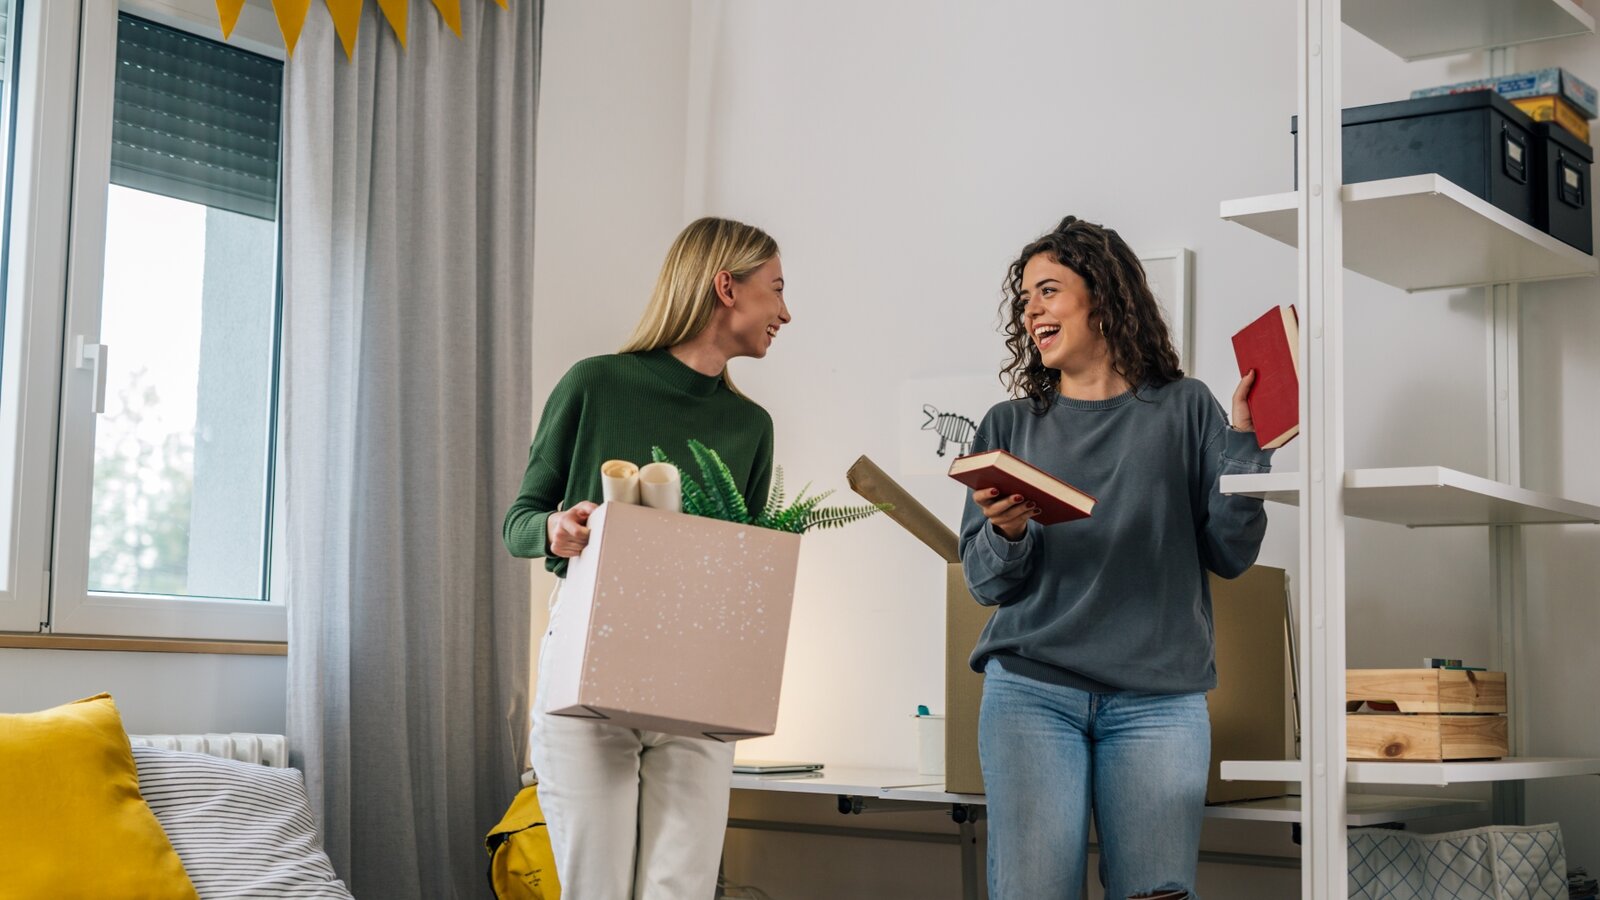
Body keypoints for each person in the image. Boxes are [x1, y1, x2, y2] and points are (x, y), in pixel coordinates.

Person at [959, 216, 1272, 900]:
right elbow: (985, 584)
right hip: (1031, 696)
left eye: (1047, 291)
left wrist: (1246, 445)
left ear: (1101, 296)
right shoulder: (1007, 427)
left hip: (1159, 702)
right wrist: (1008, 535)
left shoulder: (1188, 409)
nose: (1030, 310)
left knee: (1155, 894)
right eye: (1025, 300)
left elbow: (1232, 552)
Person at [503, 216, 789, 899]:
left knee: (680, 889)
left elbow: (740, 566)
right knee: (594, 885)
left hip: (698, 671)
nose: (786, 311)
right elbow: (519, 520)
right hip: (590, 657)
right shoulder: (595, 385)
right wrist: (557, 530)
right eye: (775, 288)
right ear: (727, 287)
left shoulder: (752, 427)